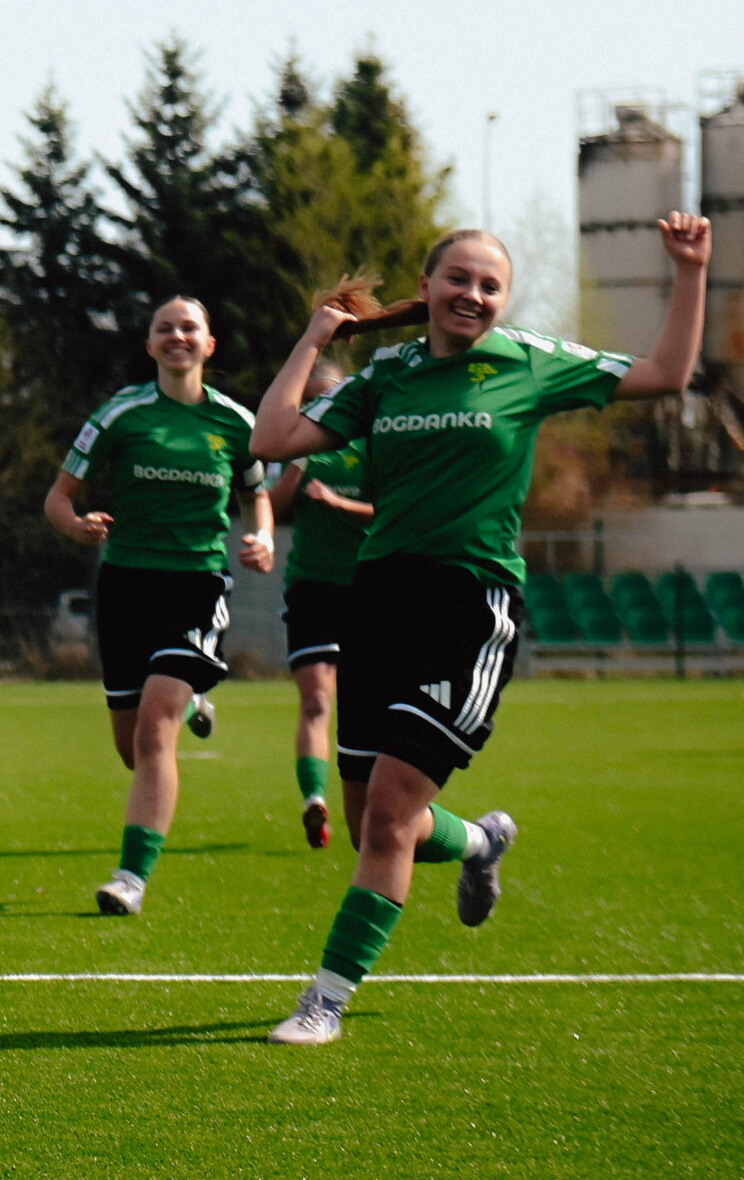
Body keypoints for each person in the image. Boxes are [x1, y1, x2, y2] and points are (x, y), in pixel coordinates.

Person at [252, 218, 708, 1045]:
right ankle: (479, 841)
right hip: (377, 603)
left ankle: (325, 1000)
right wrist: (316, 335)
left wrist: (690, 270)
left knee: (390, 812)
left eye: (490, 285)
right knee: (369, 822)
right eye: (458, 279)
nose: (473, 294)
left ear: (505, 299)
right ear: (426, 288)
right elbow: (271, 438)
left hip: (469, 607)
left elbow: (667, 373)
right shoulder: (388, 373)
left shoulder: (529, 361)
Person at [43, 295, 274, 917]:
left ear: (209, 344)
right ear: (148, 345)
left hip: (196, 587)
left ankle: (131, 878)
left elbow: (256, 493)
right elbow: (58, 497)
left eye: (189, 327)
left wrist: (263, 536)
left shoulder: (235, 423)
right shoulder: (120, 415)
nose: (177, 336)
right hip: (125, 588)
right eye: (164, 328)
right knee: (134, 749)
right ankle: (193, 700)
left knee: (153, 732)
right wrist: (77, 525)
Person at [266, 358, 371, 850]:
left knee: (363, 706)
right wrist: (297, 465)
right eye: (311, 399)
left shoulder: (372, 446)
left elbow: (394, 510)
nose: (320, 405)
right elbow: (272, 508)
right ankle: (315, 799)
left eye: (327, 395)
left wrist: (339, 503)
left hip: (368, 590)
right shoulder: (296, 449)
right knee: (316, 700)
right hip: (311, 590)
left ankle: (370, 805)